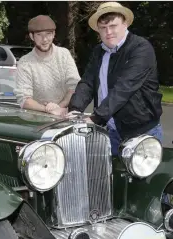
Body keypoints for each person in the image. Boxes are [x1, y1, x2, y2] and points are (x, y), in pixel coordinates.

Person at [67, 2, 163, 156]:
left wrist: (97, 117)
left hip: (141, 133)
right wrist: (75, 109)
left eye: (113, 26)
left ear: (125, 23)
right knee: (107, 178)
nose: (108, 32)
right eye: (103, 28)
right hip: (111, 131)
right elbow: (87, 82)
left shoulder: (141, 48)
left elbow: (125, 87)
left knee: (143, 179)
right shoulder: (98, 51)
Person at [14, 15, 81, 117]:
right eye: (39, 35)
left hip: (65, 117)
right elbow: (24, 99)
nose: (44, 39)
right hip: (36, 123)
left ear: (54, 34)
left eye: (48, 34)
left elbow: (74, 87)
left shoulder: (64, 55)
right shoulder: (25, 62)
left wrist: (59, 107)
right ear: (32, 36)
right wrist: (47, 110)